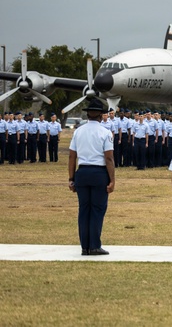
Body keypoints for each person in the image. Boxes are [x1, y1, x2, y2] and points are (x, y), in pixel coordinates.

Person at [67, 98, 116, 255]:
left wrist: (71, 178)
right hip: (98, 173)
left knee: (84, 210)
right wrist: (112, 179)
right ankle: (94, 245)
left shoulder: (78, 131)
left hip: (82, 172)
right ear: (101, 115)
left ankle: (85, 247)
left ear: (88, 114)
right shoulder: (105, 132)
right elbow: (108, 157)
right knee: (97, 210)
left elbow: (71, 157)